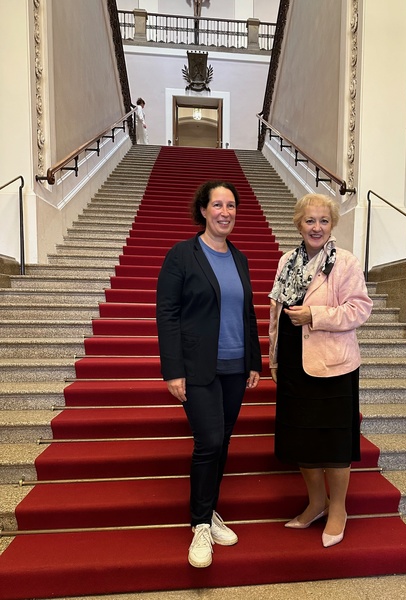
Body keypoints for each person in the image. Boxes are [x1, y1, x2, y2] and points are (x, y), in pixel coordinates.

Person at [157, 180, 262, 568]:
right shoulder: (182, 255)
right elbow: (166, 314)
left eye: (231, 205)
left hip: (236, 367)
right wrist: (173, 369)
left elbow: (248, 312)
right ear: (203, 210)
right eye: (217, 204)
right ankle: (200, 523)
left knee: (224, 441)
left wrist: (254, 360)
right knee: (210, 440)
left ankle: (210, 511)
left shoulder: (240, 258)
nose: (225, 212)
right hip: (199, 366)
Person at [268, 193, 372, 548]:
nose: (316, 227)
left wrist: (316, 315)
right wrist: (274, 355)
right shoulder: (286, 261)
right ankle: (316, 503)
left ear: (332, 225)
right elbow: (277, 314)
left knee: (333, 442)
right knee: (302, 439)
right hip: (295, 361)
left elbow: (359, 309)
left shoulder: (344, 262)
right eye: (310, 221)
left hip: (334, 364)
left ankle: (338, 508)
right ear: (299, 224)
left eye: (323, 221)